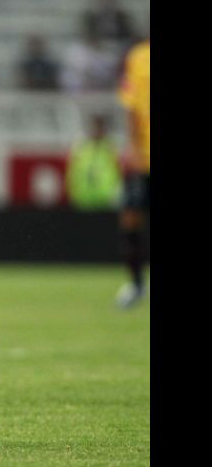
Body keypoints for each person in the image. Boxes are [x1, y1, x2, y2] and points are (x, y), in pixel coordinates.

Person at [115, 38, 149, 308]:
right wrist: (132, 147)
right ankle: (137, 285)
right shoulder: (138, 56)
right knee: (130, 220)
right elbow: (131, 107)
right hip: (144, 159)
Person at [65, 114, 122, 211]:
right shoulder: (81, 148)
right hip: (83, 201)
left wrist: (114, 195)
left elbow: (117, 173)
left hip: (105, 201)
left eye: (100, 127)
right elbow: (73, 173)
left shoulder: (110, 148)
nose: (97, 130)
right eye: (95, 127)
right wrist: (73, 194)